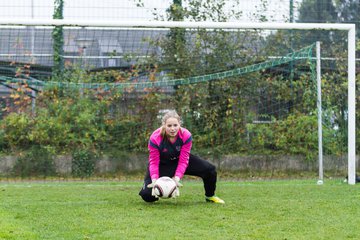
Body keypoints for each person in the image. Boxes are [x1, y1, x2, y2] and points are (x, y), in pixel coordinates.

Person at [139, 110, 225, 204]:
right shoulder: (155, 138)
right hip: (162, 164)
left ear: (179, 124)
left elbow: (183, 160)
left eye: (175, 125)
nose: (172, 129)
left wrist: (176, 178)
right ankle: (154, 192)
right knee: (147, 195)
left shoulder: (186, 135)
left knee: (210, 170)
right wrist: (155, 180)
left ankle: (210, 196)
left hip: (179, 160)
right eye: (169, 126)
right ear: (164, 125)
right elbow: (154, 162)